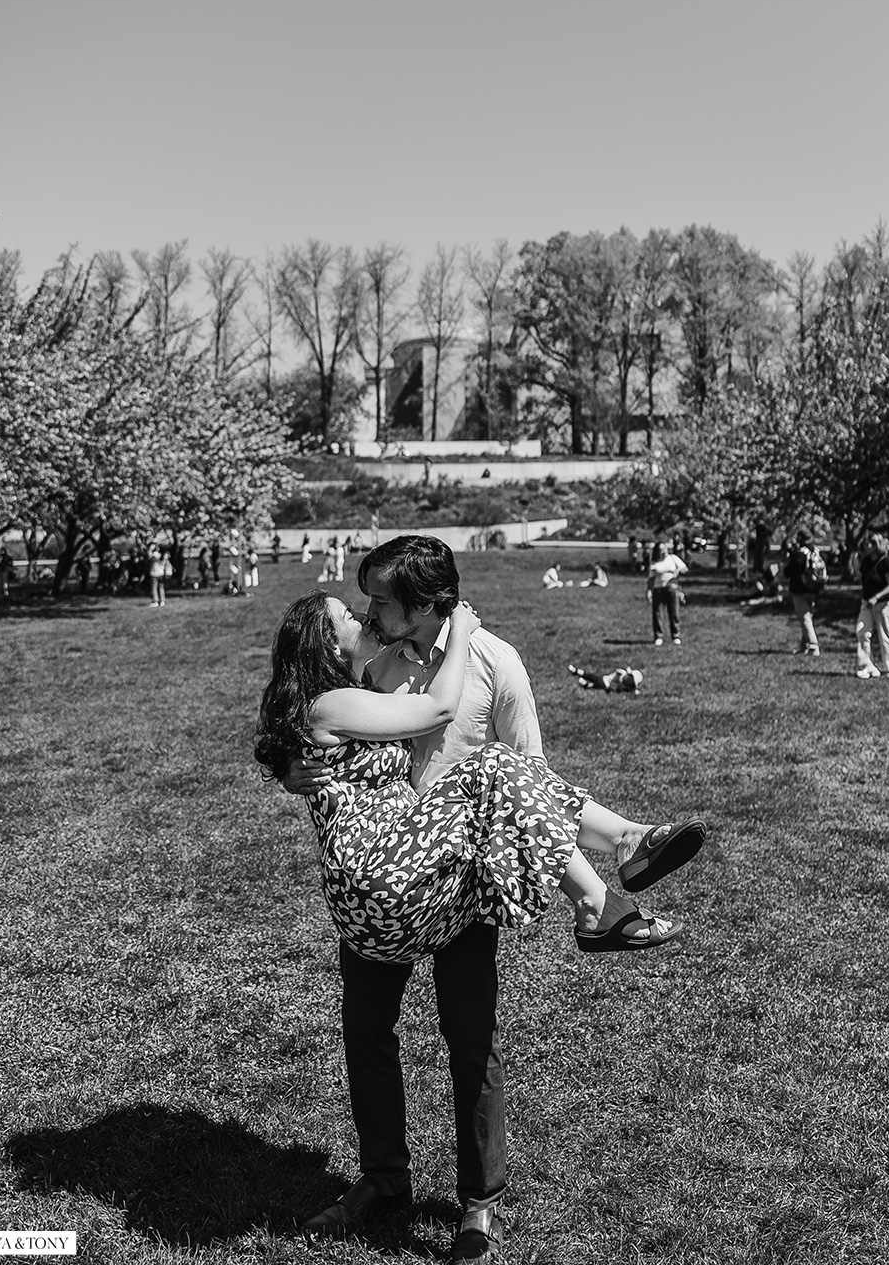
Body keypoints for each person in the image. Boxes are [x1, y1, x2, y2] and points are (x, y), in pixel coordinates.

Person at [268, 536, 706, 1260]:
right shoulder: (365, 664)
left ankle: (478, 1205)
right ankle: (384, 1181)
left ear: (423, 603)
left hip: (461, 879)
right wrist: (290, 766)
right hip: (387, 878)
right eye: (362, 605)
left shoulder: (495, 663)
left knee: (473, 1042)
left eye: (378, 599)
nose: (369, 612)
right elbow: (307, 721)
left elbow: (534, 779)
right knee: (367, 1035)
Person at [855, 533, 889, 679]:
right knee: (862, 632)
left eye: (870, 543)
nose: (866, 545)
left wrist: (876, 597)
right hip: (867, 603)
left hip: (884, 604)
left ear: (877, 545)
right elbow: (859, 574)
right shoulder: (867, 560)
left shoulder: (887, 561)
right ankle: (867, 667)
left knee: (885, 635)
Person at [783, 531, 824, 656]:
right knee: (807, 617)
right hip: (814, 587)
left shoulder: (800, 554)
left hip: (800, 589)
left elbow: (788, 571)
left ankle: (814, 645)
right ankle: (804, 646)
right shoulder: (816, 551)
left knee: (804, 618)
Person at [646, 540, 688, 646]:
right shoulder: (654, 562)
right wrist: (649, 591)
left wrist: (677, 571)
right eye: (660, 549)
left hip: (672, 589)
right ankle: (658, 636)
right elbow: (651, 579)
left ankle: (675, 635)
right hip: (658, 589)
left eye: (664, 548)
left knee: (674, 613)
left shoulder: (673, 558)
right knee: (657, 613)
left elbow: (685, 569)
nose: (663, 551)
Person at [568, 663, 643, 695]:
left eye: (631, 682)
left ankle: (578, 675)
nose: (628, 681)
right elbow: (619, 671)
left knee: (593, 680)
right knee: (593, 681)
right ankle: (582, 679)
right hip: (605, 682)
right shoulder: (622, 673)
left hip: (606, 684)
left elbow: (631, 691)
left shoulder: (627, 686)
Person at [147, 544, 167, 608]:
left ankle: (155, 601)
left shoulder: (155, 554)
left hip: (154, 573)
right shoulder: (165, 555)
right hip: (161, 573)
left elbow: (149, 556)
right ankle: (162, 601)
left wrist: (150, 549)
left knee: (154, 588)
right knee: (161, 587)